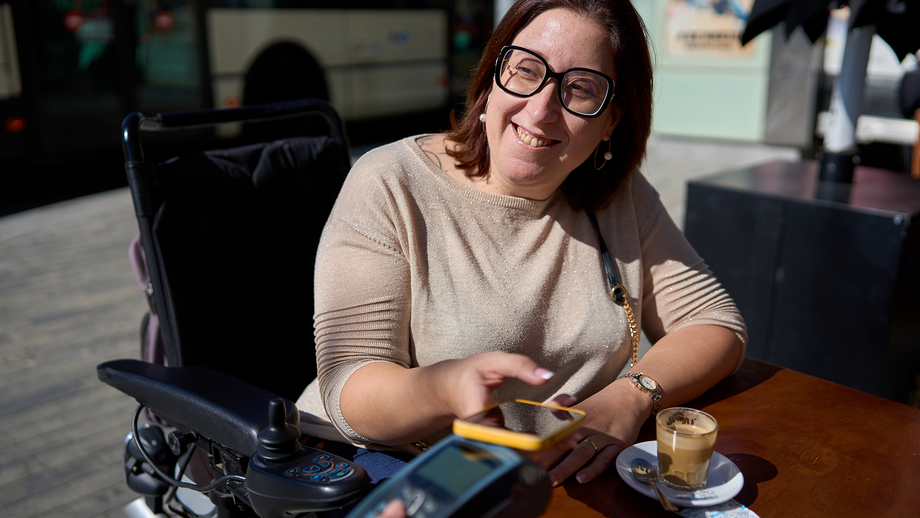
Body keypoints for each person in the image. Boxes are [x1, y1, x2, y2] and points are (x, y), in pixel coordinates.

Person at [296, 0, 747, 488]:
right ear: (492, 77)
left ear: (610, 122)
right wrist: (443, 389)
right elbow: (349, 385)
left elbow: (715, 326)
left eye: (580, 88)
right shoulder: (390, 181)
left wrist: (629, 397)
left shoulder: (619, 196)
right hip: (389, 466)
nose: (541, 109)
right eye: (527, 71)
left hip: (550, 477)